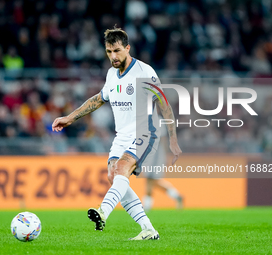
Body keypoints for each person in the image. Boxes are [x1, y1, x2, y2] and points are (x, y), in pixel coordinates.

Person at [52, 27, 181, 240]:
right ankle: (148, 229)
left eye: (117, 51)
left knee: (122, 169)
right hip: (121, 136)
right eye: (109, 52)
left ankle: (103, 212)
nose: (113, 56)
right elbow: (98, 99)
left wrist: (173, 139)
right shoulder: (112, 74)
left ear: (127, 48)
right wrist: (70, 117)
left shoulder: (144, 72)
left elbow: (165, 105)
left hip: (145, 133)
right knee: (114, 176)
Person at [142, 124, 183, 211]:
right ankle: (177, 196)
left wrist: (165, 156)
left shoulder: (157, 120)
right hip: (149, 153)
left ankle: (147, 206)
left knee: (150, 179)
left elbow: (163, 139)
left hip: (156, 154)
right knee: (152, 180)